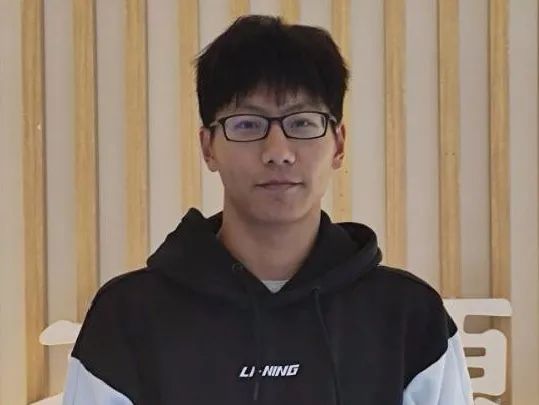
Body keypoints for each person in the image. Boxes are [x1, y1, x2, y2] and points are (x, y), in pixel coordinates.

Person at [62, 15, 473, 405]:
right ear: (208, 147)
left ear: (338, 144)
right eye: (247, 124)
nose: (278, 151)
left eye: (302, 122)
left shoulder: (409, 318)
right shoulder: (128, 318)